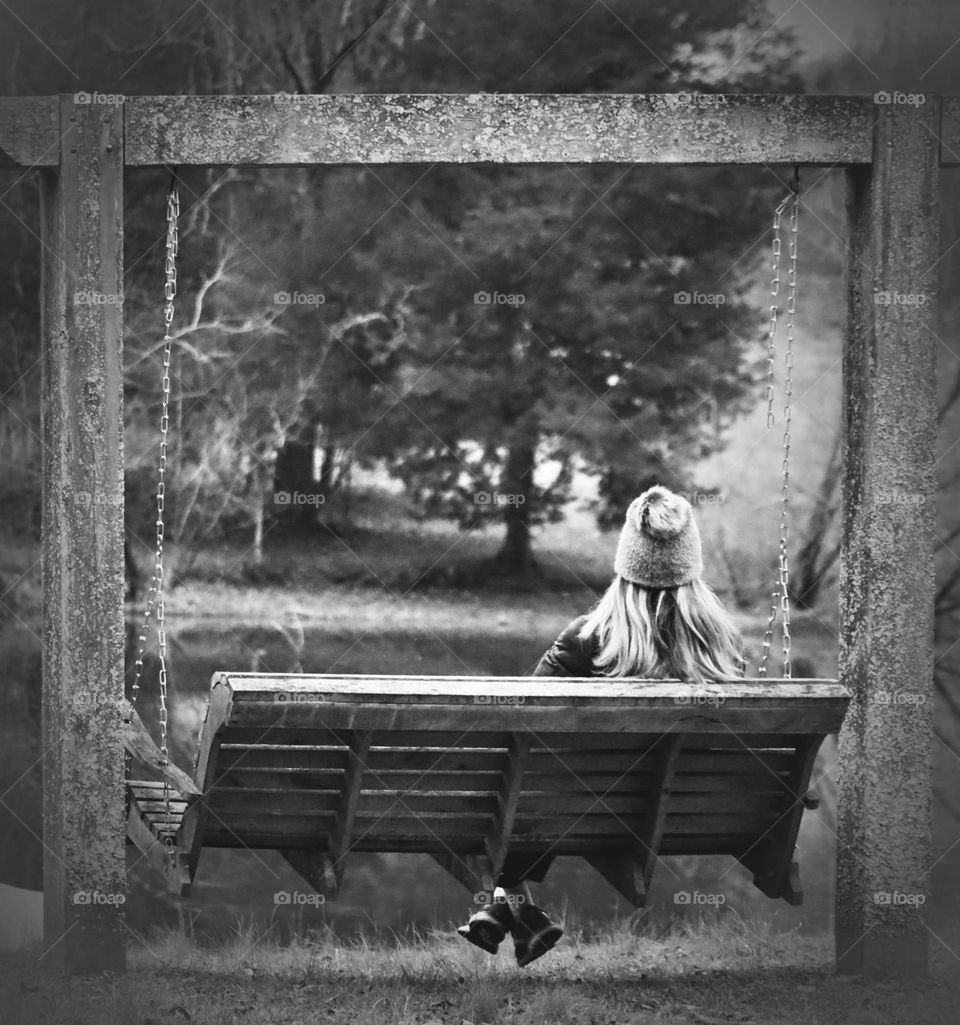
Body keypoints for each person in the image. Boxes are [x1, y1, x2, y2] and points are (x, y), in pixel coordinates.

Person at [457, 484, 744, 966]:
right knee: (539, 790)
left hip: (573, 812)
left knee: (512, 791)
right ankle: (519, 915)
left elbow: (521, 727)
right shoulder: (720, 649)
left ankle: (512, 907)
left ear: (625, 567)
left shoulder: (585, 641)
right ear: (691, 568)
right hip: (677, 813)